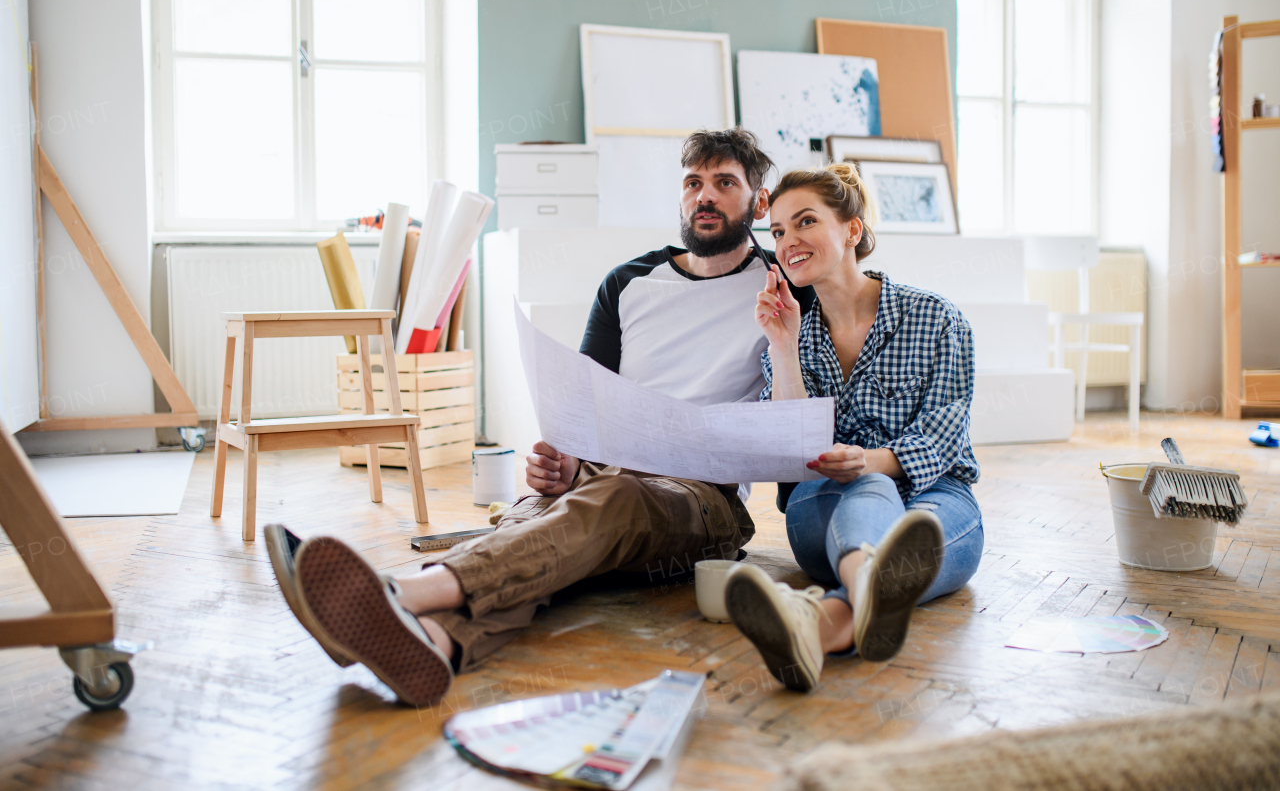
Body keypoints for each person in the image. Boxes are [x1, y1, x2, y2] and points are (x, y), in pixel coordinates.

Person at [265, 127, 814, 707]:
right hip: (601, 478)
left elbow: (790, 427)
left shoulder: (784, 288)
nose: (705, 195)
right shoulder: (628, 284)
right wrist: (565, 457)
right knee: (533, 527)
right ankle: (435, 643)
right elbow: (579, 406)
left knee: (606, 507)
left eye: (724, 182)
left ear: (757, 201)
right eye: (693, 183)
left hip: (702, 503)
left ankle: (394, 591)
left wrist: (784, 340)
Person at [724, 163, 984, 693]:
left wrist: (869, 462)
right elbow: (793, 446)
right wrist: (783, 344)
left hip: (937, 500)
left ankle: (818, 627)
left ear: (852, 230)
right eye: (776, 232)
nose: (787, 241)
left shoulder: (936, 319)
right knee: (872, 490)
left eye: (804, 222)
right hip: (823, 505)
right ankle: (868, 584)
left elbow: (941, 435)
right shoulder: (789, 331)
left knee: (896, 511)